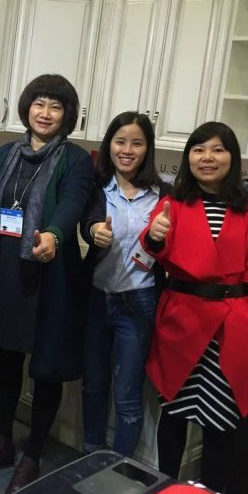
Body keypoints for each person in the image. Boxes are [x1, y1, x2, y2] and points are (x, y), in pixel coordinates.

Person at [0, 74, 93, 494]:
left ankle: (32, 456)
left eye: (55, 106)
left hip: (51, 273)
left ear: (67, 115)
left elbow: (73, 202)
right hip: (7, 270)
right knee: (7, 359)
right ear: (26, 108)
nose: (45, 113)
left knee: (45, 367)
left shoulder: (75, 159)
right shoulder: (7, 153)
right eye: (39, 103)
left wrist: (54, 235)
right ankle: (3, 441)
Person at [140, 121, 248, 492]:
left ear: (232, 157)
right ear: (188, 158)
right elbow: (154, 243)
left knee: (221, 421)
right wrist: (154, 236)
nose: (207, 158)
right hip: (182, 324)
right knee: (174, 415)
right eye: (198, 150)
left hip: (232, 328)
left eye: (217, 150)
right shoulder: (174, 202)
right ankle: (165, 492)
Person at [80, 112, 169, 457]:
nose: (127, 150)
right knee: (93, 387)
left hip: (139, 302)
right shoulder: (97, 188)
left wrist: (160, 238)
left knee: (127, 395)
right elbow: (88, 221)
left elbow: (168, 247)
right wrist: (94, 231)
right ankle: (90, 458)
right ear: (109, 146)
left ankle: (119, 470)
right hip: (96, 298)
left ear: (148, 148)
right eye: (120, 142)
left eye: (136, 143)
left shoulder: (164, 195)